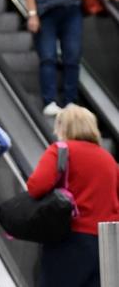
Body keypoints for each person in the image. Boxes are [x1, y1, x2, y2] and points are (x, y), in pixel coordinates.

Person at [27, 104, 119, 287]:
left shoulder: (62, 150)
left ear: (63, 127)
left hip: (69, 241)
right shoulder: (108, 159)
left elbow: (35, 186)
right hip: (104, 246)